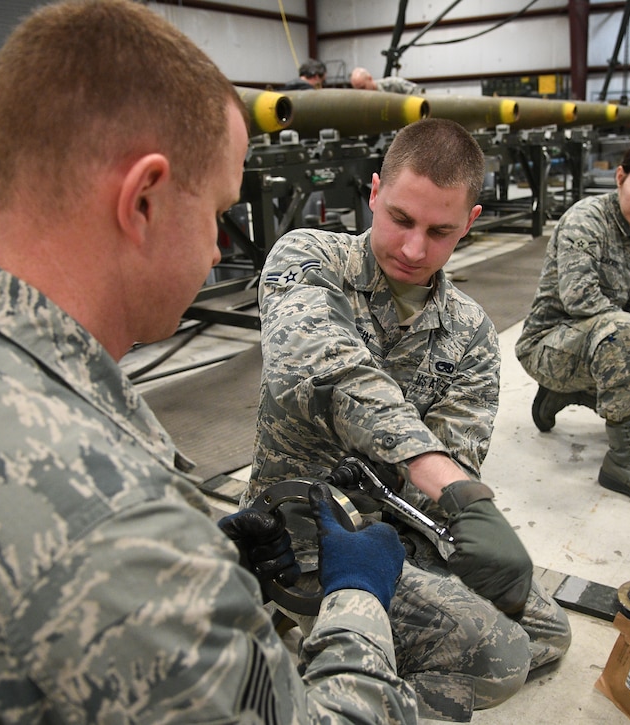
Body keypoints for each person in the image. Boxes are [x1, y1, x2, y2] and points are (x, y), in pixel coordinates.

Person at [0, 2, 417, 723]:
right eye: (215, 212)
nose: (217, 249)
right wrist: (357, 598)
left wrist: (200, 556)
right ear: (143, 199)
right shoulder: (124, 530)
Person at [246, 118, 572, 721]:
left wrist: (449, 523)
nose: (414, 249)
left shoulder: (470, 331)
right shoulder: (308, 259)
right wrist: (453, 488)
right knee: (500, 658)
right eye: (400, 219)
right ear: (373, 193)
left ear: (470, 224)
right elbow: (330, 370)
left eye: (440, 231)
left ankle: (359, 665)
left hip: (399, 531)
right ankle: (327, 701)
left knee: (547, 632)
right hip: (300, 533)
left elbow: (456, 453)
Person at [516, 142, 630, 509]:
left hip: (601, 345)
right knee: (626, 330)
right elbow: (579, 299)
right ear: (620, 178)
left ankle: (570, 393)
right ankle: (622, 460)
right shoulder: (587, 219)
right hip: (548, 346)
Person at [350, 66, 420, 95]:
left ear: (370, 78)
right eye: (358, 90)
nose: (361, 92)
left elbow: (415, 90)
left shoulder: (392, 84)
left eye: (363, 87)